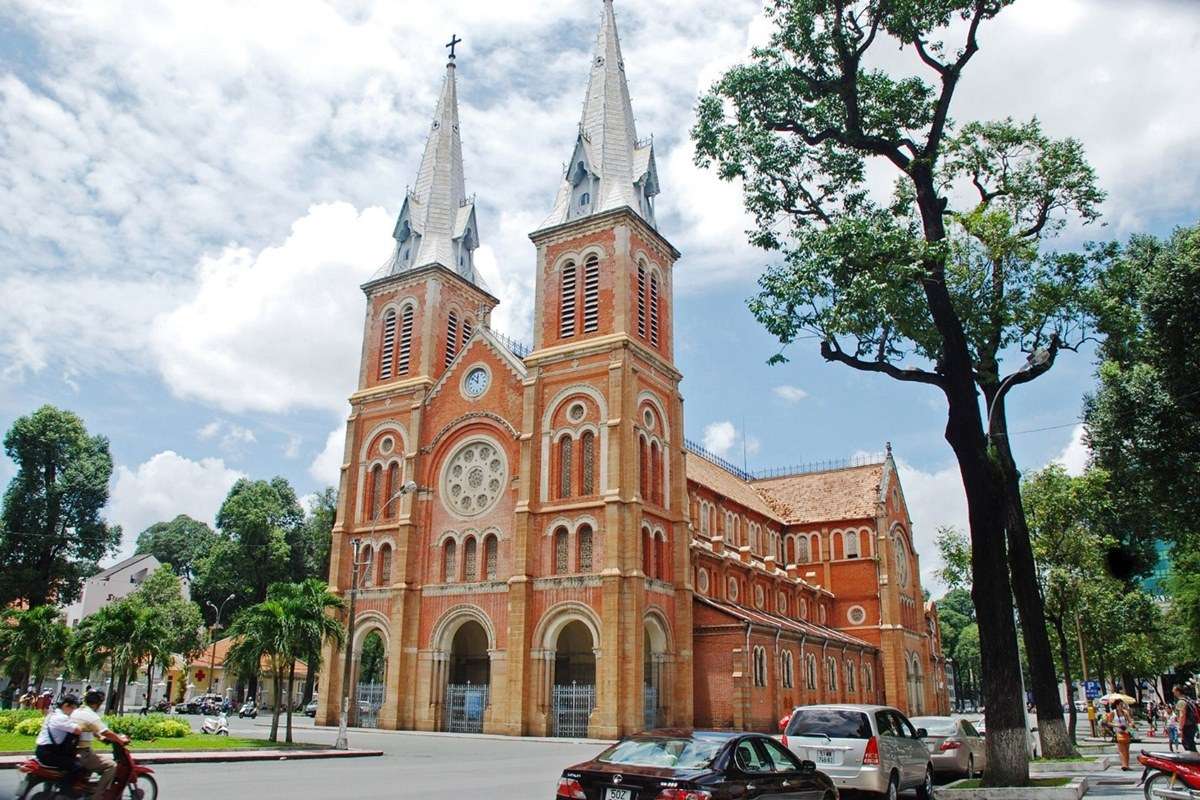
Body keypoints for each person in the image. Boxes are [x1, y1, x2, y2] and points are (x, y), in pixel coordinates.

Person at [71, 689, 129, 798]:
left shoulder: (78, 711)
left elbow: (91, 730)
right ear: (98, 703)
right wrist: (120, 740)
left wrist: (101, 738)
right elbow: (105, 731)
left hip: (73, 751)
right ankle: (97, 796)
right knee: (112, 765)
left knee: (95, 759)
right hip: (83, 753)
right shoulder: (90, 715)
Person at [35, 694, 83, 791]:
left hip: (44, 751)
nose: (73, 711)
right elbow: (78, 730)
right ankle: (64, 792)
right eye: (73, 708)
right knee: (77, 767)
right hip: (49, 753)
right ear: (65, 705)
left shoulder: (52, 714)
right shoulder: (61, 718)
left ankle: (50, 787)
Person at [1106, 699, 1135, 770]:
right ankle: (1124, 765)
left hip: (1126, 732)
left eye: (1123, 705)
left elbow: (1130, 721)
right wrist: (1117, 725)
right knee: (1121, 750)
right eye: (1121, 705)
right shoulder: (1113, 713)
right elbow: (1109, 722)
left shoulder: (1125, 712)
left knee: (1126, 750)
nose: (1122, 706)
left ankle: (1127, 765)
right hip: (1118, 733)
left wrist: (1131, 724)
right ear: (1117, 705)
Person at [1174, 685, 1198, 753]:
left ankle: (1195, 761)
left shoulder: (1181, 701)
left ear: (1178, 692)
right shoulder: (1188, 699)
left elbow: (1182, 715)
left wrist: (1180, 728)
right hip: (1192, 724)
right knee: (1190, 744)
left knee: (1188, 744)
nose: (1174, 693)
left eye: (1174, 692)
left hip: (1187, 726)